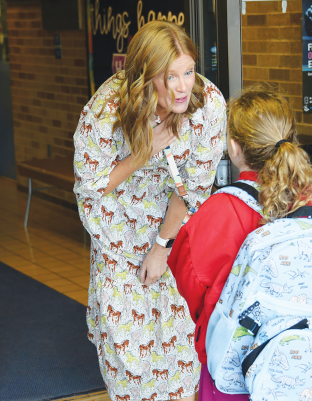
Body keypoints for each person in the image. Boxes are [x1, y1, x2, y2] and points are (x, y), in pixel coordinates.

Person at [73, 21, 226, 401]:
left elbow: (191, 191)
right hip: (118, 237)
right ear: (144, 76)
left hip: (173, 234)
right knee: (127, 353)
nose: (182, 86)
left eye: (188, 71)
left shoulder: (207, 106)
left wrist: (161, 246)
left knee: (180, 352)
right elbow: (91, 183)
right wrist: (143, 153)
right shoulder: (108, 107)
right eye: (169, 76)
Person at [168, 83, 312, 400]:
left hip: (235, 364)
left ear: (235, 148)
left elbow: (190, 279)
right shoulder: (311, 200)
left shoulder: (221, 209)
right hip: (297, 360)